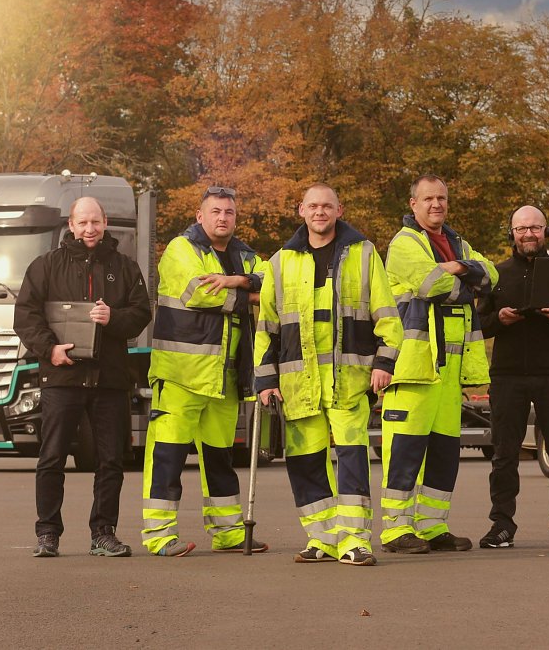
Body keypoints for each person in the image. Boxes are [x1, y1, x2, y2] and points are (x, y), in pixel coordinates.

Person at [254, 184, 402, 566]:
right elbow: (267, 326)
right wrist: (266, 380)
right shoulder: (280, 261)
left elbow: (387, 315)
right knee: (305, 463)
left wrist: (385, 363)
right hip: (298, 385)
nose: (320, 212)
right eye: (313, 206)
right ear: (301, 210)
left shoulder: (364, 253)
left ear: (340, 209)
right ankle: (321, 538)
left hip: (349, 382)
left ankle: (354, 541)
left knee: (351, 459)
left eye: (327, 206)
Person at [15, 196, 152, 558]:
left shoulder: (124, 267)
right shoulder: (45, 266)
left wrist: (114, 319)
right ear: (71, 225)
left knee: (111, 460)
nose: (89, 229)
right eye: (82, 223)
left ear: (105, 222)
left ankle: (103, 533)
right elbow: (26, 316)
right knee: (52, 457)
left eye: (95, 222)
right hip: (62, 378)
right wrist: (51, 350)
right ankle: (48, 534)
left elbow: (141, 313)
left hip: (109, 380)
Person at [142, 186, 268, 557]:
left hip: (225, 378)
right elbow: (200, 293)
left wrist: (238, 280)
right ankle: (160, 536)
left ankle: (228, 531)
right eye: (215, 211)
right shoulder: (181, 249)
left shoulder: (244, 255)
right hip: (181, 374)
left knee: (219, 458)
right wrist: (249, 294)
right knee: (167, 457)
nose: (222, 218)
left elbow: (274, 285)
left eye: (229, 212)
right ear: (200, 216)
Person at [379, 175, 498, 554]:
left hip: (450, 369)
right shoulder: (403, 243)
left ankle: (432, 526)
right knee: (404, 451)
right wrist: (469, 275)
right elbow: (431, 285)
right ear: (413, 204)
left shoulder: (457, 242)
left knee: (445, 453)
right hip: (413, 367)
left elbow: (493, 275)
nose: (436, 204)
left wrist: (458, 268)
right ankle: (396, 530)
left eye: (442, 198)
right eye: (428, 198)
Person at [476, 205, 549, 550]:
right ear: (511, 233)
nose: (528, 234)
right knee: (503, 455)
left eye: (535, 228)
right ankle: (501, 525)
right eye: (521, 228)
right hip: (507, 375)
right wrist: (500, 318)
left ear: (545, 231)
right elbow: (478, 326)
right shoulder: (495, 276)